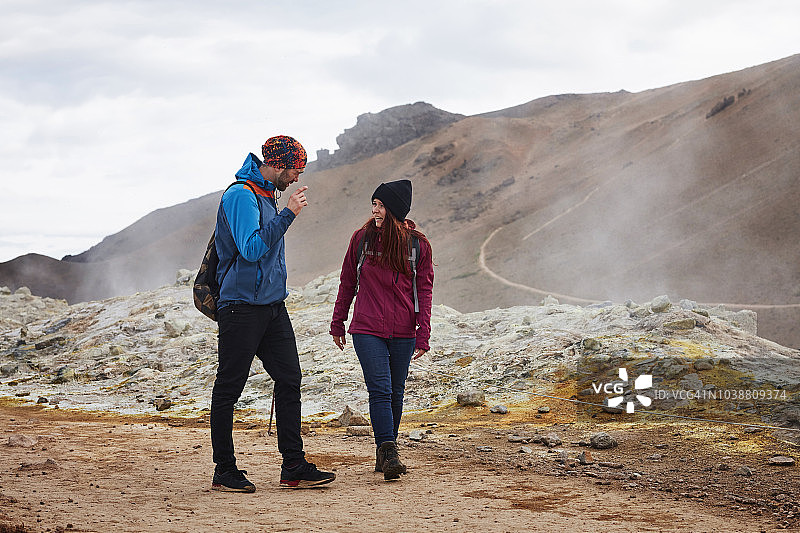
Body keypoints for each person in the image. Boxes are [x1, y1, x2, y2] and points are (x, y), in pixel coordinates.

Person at [210, 135, 335, 492]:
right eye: (295, 170)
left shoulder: (267, 194)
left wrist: (282, 212)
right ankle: (224, 470)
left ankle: (293, 466)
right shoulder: (240, 195)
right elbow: (250, 250)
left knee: (290, 377)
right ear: (279, 166)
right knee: (230, 386)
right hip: (240, 307)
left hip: (271, 306)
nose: (296, 178)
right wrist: (288, 215)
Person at [330, 179, 434, 481]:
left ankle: (385, 451)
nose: (374, 210)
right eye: (373, 204)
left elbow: (424, 291)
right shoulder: (362, 239)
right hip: (367, 327)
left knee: (396, 393)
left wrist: (423, 333)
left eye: (380, 205)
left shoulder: (418, 245)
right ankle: (389, 450)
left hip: (403, 330)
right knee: (381, 390)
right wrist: (338, 321)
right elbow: (348, 281)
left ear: (395, 210)